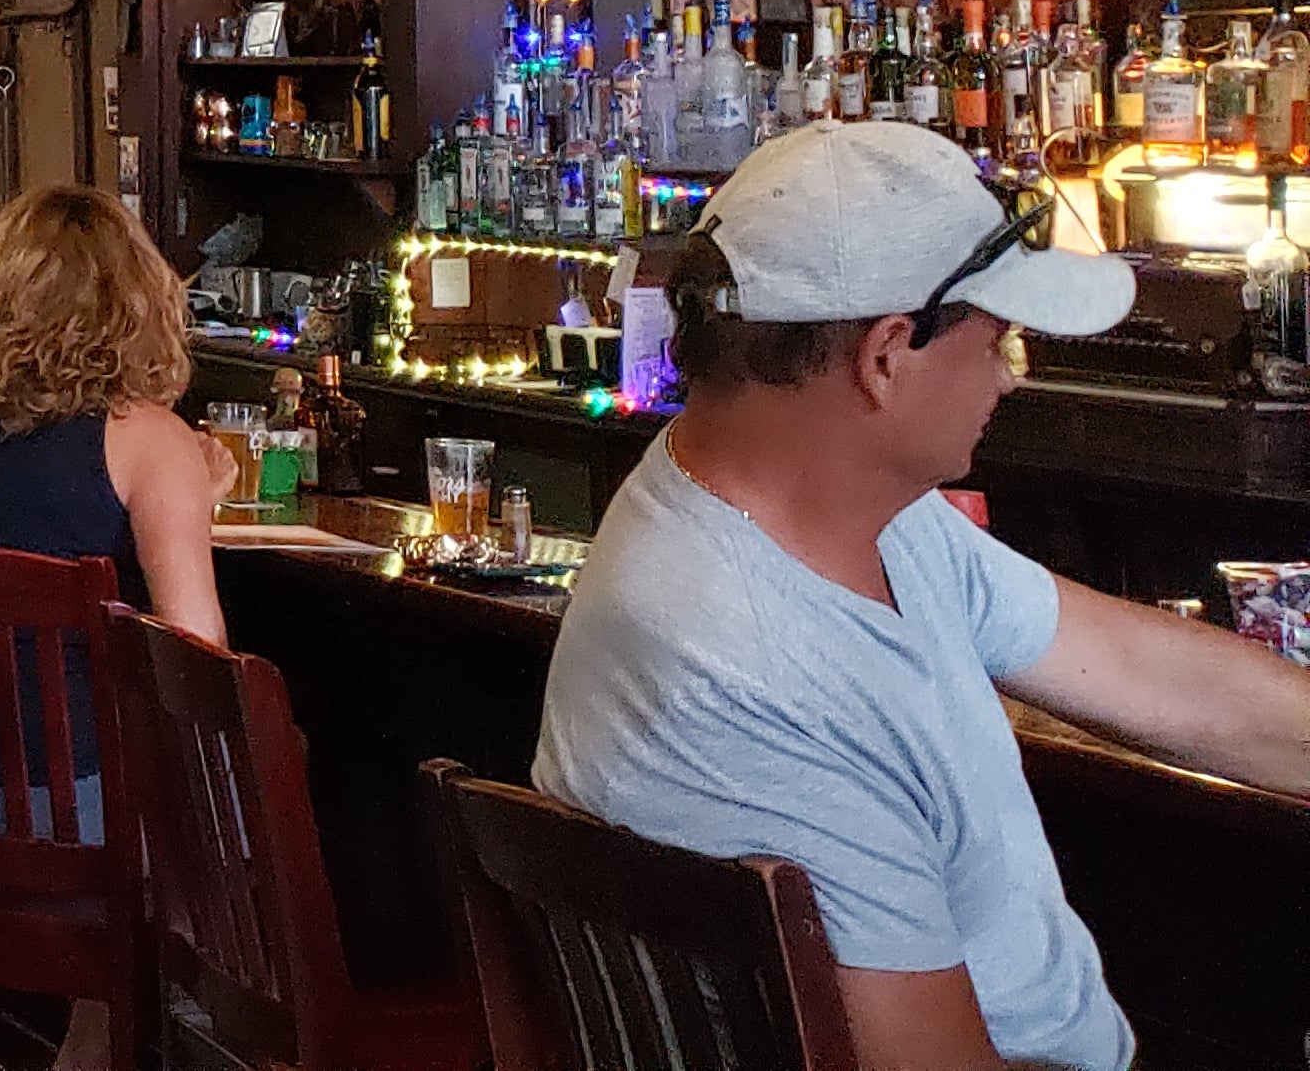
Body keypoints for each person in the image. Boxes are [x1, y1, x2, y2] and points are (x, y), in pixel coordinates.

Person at [537, 121, 1310, 1071]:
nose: (1009, 377)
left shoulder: (854, 514)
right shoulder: (750, 672)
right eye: (1000, 341)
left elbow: (1142, 670)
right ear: (889, 355)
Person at [0, 181, 227, 644]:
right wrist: (190, 497)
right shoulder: (150, 440)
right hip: (88, 714)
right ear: (141, 295)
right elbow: (195, 649)